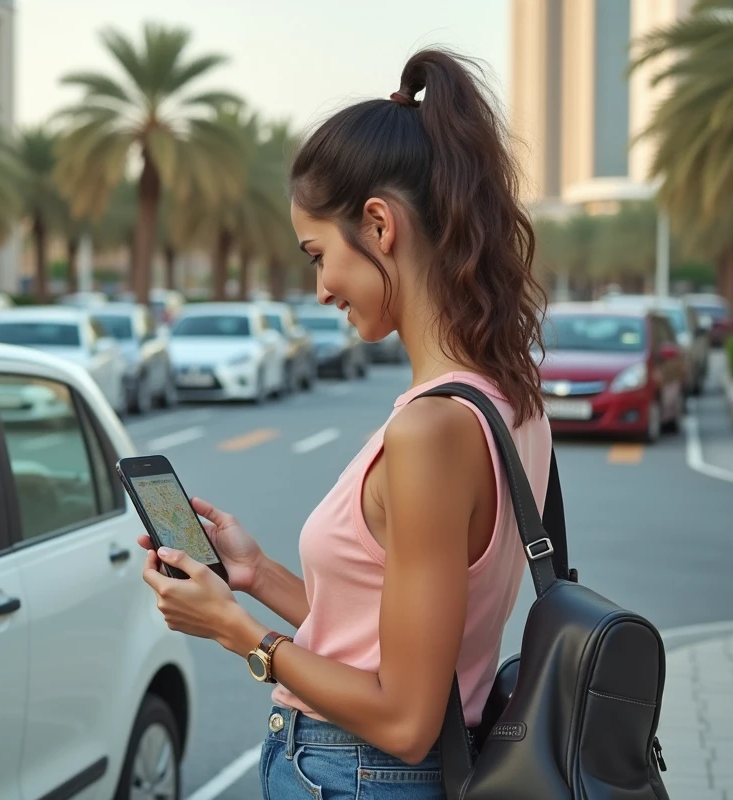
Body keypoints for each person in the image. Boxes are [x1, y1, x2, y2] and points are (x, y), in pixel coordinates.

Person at [138, 48, 553, 798]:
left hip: (357, 774)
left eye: (318, 254)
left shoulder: (432, 431)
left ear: (379, 224)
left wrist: (237, 633)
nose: (322, 287)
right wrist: (256, 575)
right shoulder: (505, 398)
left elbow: (404, 719)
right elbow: (391, 642)